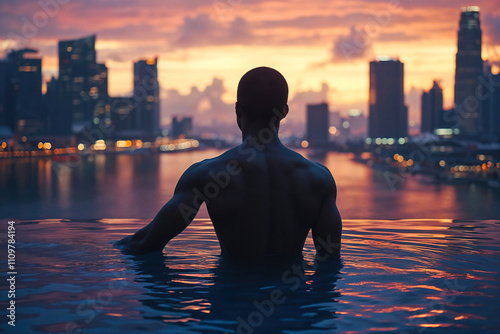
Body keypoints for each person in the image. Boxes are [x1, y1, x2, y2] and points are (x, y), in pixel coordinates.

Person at [116, 67, 342, 260]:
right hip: (296, 305)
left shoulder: (207, 174)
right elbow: (330, 262)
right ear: (284, 112)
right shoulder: (319, 178)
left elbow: (147, 245)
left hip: (229, 303)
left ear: (238, 111)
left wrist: (112, 245)